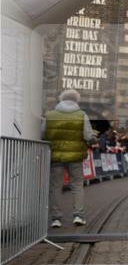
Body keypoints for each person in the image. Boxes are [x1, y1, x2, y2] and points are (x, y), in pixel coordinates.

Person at [42, 89, 94, 227]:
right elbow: (88, 136)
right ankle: (78, 216)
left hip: (56, 157)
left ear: (61, 99)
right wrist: (92, 141)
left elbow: (42, 135)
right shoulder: (82, 115)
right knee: (77, 186)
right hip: (75, 157)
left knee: (55, 187)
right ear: (76, 100)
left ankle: (56, 219)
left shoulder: (50, 115)